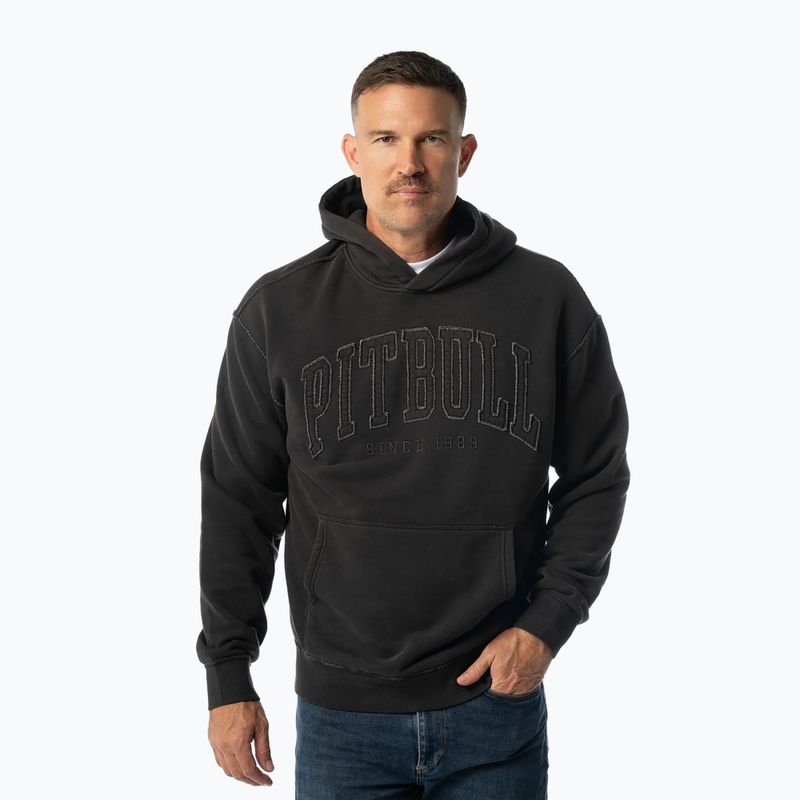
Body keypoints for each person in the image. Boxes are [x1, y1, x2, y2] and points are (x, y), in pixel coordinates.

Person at [196, 50, 631, 798]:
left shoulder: (546, 297)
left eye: (432, 138)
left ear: (465, 151)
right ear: (352, 151)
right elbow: (239, 499)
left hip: (494, 701)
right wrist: (228, 675)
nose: (409, 163)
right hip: (342, 715)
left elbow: (596, 474)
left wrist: (547, 624)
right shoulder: (279, 309)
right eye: (386, 139)